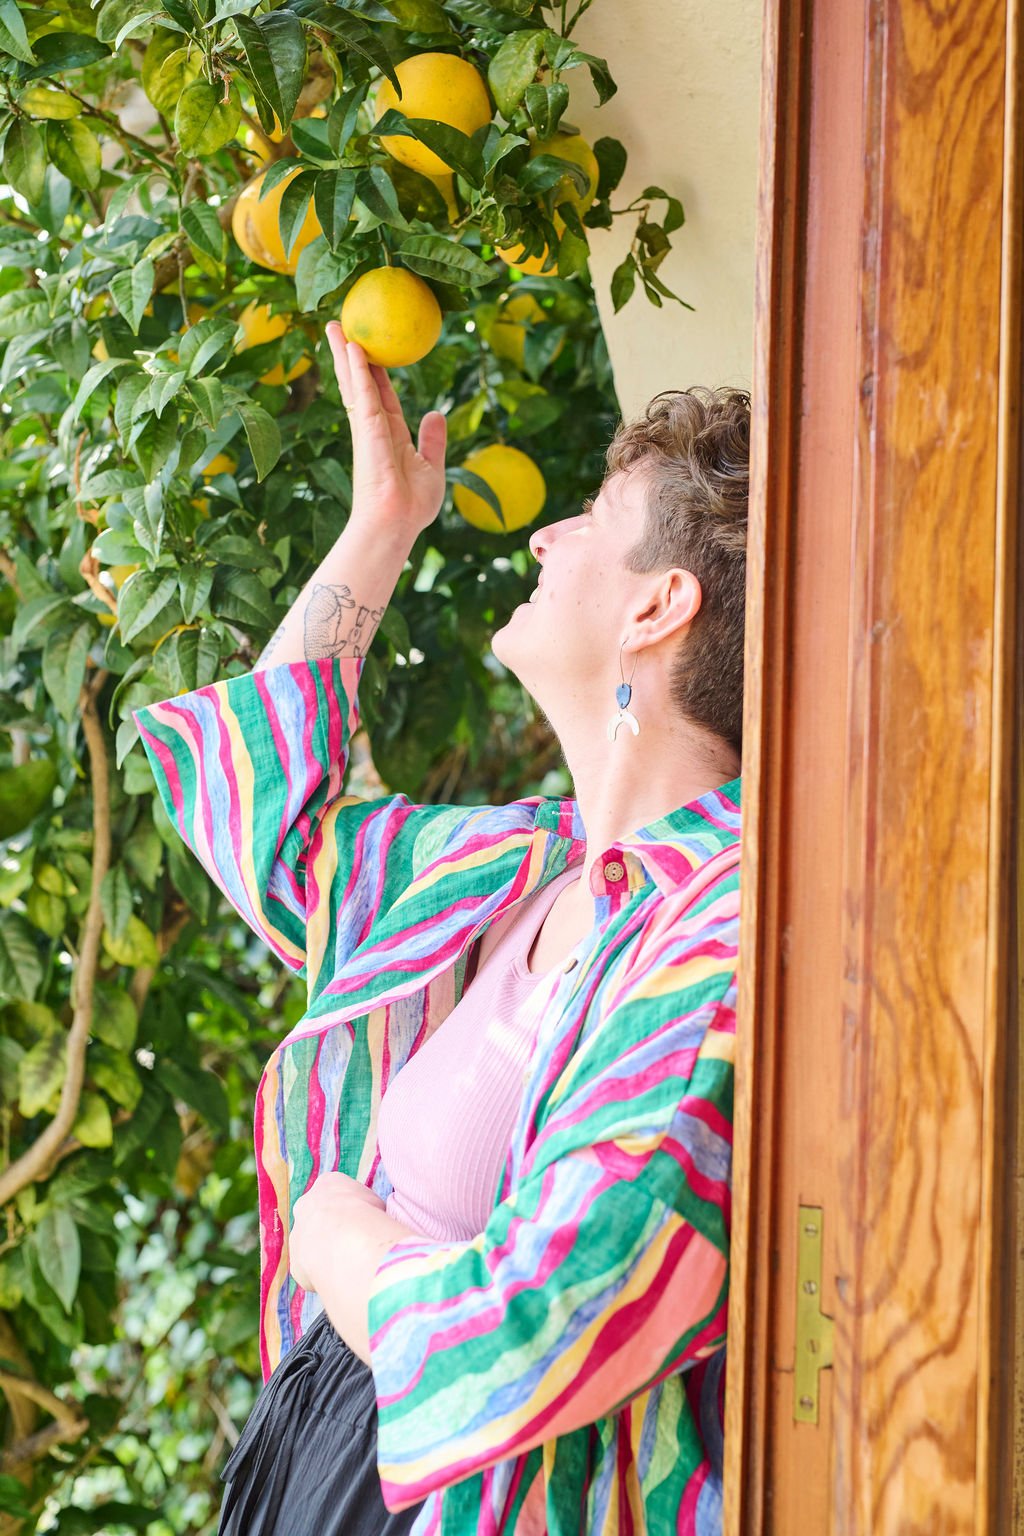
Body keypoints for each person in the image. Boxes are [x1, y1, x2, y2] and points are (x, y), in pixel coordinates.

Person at [132, 320, 749, 1536]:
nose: (544, 535)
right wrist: (382, 522)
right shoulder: (515, 869)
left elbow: (539, 1328)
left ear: (658, 605)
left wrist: (336, 1241)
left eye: (590, 516)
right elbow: (268, 819)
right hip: (320, 1446)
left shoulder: (715, 931)